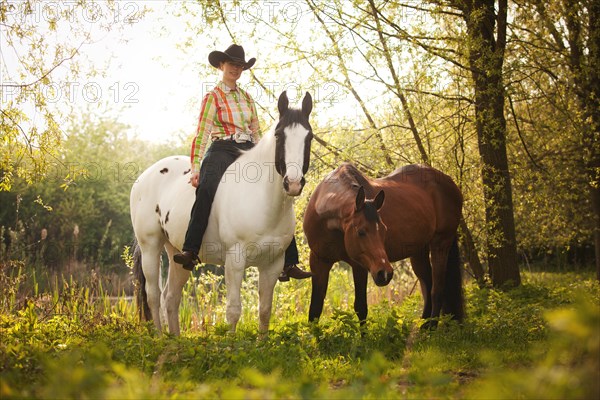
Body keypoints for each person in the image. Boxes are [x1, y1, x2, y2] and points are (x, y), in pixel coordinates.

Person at [173, 44, 311, 282]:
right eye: (231, 65)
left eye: (239, 66)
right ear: (221, 66)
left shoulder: (247, 98)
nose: (235, 69)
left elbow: (256, 132)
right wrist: (196, 167)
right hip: (221, 149)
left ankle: (289, 262)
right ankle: (191, 249)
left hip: (248, 149)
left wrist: (264, 155)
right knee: (206, 188)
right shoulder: (213, 97)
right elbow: (202, 133)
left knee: (279, 189)